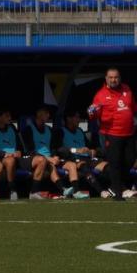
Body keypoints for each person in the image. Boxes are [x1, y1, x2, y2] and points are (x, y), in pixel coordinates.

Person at [89, 68, 136, 200]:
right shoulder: (101, 95)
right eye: (111, 77)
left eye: (116, 77)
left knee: (130, 160)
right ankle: (118, 193)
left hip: (128, 133)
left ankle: (114, 186)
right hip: (111, 134)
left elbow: (132, 107)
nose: (113, 79)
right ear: (106, 79)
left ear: (119, 78)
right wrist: (91, 111)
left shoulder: (126, 89)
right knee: (115, 163)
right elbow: (92, 115)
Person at [53, 111, 104, 199]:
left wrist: (91, 151)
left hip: (87, 158)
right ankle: (101, 191)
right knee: (82, 165)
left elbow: (89, 146)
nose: (79, 120)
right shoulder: (60, 131)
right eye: (76, 117)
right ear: (68, 119)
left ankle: (120, 189)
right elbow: (58, 149)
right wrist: (75, 150)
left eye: (79, 117)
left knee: (105, 165)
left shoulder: (80, 131)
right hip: (72, 159)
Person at [23, 107, 70, 199]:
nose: (48, 115)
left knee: (50, 164)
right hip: (32, 158)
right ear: (39, 114)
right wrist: (49, 158)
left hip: (48, 159)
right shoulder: (29, 129)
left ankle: (63, 189)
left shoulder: (49, 130)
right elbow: (30, 151)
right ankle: (33, 192)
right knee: (44, 160)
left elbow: (53, 148)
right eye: (46, 113)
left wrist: (55, 156)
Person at [0, 109, 24, 201]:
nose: (10, 118)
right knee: (10, 160)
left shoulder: (12, 127)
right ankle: (12, 190)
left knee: (40, 160)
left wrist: (19, 151)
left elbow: (20, 146)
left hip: (16, 158)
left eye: (10, 116)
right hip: (0, 158)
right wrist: (3, 154)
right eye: (6, 116)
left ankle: (35, 191)